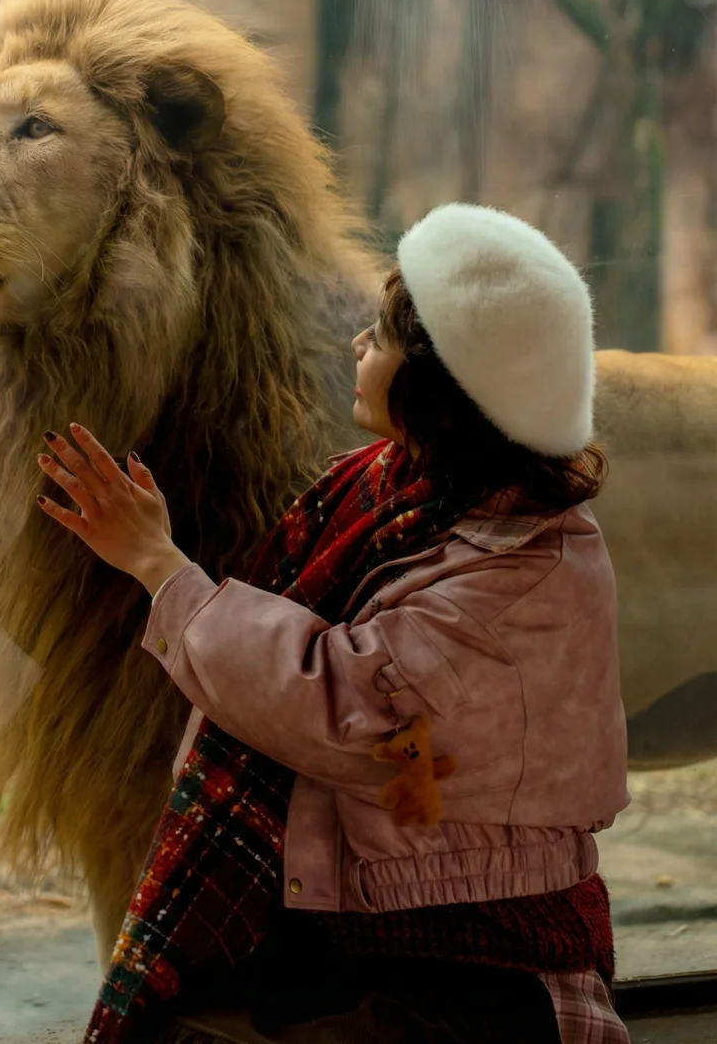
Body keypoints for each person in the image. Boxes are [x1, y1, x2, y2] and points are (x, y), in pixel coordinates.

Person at [37, 203, 631, 1044]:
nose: (358, 345)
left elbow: (344, 703)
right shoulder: (387, 490)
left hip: (475, 960)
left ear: (444, 385)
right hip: (365, 922)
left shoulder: (524, 566)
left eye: (381, 337)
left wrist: (160, 566)